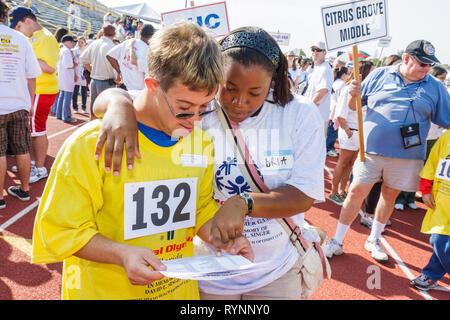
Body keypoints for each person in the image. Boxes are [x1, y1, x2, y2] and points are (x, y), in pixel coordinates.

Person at [92, 26, 326, 300]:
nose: (239, 102)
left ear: (272, 82)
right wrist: (118, 103)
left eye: (255, 92)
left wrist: (243, 202)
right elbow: (137, 97)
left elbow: (304, 195)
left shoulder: (298, 113)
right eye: (229, 88)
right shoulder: (199, 105)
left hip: (274, 269)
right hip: (210, 267)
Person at [31, 21, 253, 300]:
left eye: (204, 109)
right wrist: (121, 254)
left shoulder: (201, 142)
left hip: (176, 292)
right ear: (152, 86)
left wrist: (226, 239)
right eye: (184, 109)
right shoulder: (92, 143)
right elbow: (60, 230)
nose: (195, 120)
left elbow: (198, 211)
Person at [325, 40, 449, 263]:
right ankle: (337, 240)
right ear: (406, 58)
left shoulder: (436, 86)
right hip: (371, 150)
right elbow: (354, 106)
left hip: (408, 156)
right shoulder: (380, 75)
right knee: (354, 192)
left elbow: (446, 120)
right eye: (422, 63)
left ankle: (374, 238)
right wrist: (353, 93)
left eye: (430, 64)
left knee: (389, 195)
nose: (426, 68)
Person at [9, 6, 59, 184]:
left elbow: (49, 67)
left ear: (28, 21)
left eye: (18, 26)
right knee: (33, 129)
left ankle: (40, 168)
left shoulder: (44, 38)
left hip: (42, 90)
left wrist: (22, 56)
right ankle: (31, 164)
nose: (16, 29)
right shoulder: (36, 37)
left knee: (37, 130)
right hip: (38, 90)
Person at [0, 0, 41, 207]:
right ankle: (24, 190)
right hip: (19, 103)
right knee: (22, 149)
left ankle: (0, 197)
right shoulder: (21, 39)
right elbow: (32, 76)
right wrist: (31, 103)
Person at [361, 54, 402, 229]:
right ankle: (369, 213)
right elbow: (355, 104)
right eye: (397, 65)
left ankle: (377, 217)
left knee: (388, 185)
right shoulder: (379, 82)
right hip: (375, 140)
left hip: (398, 145)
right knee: (371, 182)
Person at [328, 62, 373, 206]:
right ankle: (333, 192)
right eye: (371, 71)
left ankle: (342, 190)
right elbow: (341, 115)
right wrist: (348, 132)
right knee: (343, 163)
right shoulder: (348, 89)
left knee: (350, 164)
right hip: (350, 131)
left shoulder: (366, 91)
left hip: (360, 132)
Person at [410, 130, 450, 291]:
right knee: (439, 240)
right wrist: (425, 190)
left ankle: (431, 274)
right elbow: (433, 162)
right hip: (442, 201)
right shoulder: (447, 136)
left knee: (442, 243)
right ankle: (431, 275)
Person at [80, 24, 118, 119]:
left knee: (93, 111)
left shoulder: (95, 43)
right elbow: (115, 66)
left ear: (103, 32)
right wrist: (117, 78)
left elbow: (83, 59)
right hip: (106, 82)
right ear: (114, 34)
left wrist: (92, 70)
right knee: (106, 112)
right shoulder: (111, 45)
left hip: (94, 80)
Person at [106, 24, 155, 91]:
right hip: (138, 91)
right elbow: (150, 73)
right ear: (152, 36)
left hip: (125, 87)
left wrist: (120, 72)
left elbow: (109, 55)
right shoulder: (147, 50)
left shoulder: (128, 42)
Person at [305, 41, 333, 137]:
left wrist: (308, 107)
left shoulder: (324, 68)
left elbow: (323, 90)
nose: (315, 52)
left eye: (318, 50)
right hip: (315, 116)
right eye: (313, 50)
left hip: (317, 117)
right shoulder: (318, 68)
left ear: (324, 52)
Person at [326, 66, 349, 158]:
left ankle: (329, 147)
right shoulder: (341, 84)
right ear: (343, 74)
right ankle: (328, 148)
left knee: (332, 129)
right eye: (348, 74)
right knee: (333, 130)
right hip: (335, 108)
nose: (348, 76)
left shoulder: (336, 82)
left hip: (333, 107)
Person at [55, 35, 77, 123]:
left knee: (62, 96)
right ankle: (66, 116)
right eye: (72, 42)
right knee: (67, 97)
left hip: (62, 76)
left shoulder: (62, 50)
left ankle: (59, 114)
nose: (73, 43)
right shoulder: (67, 51)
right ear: (67, 42)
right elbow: (68, 65)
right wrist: (74, 64)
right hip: (67, 77)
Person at [72, 36, 88, 114]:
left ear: (85, 43)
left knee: (84, 92)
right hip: (75, 72)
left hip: (83, 73)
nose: (80, 44)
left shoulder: (86, 51)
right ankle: (75, 107)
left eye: (82, 42)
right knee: (75, 91)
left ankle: (83, 107)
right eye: (79, 42)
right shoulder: (74, 51)